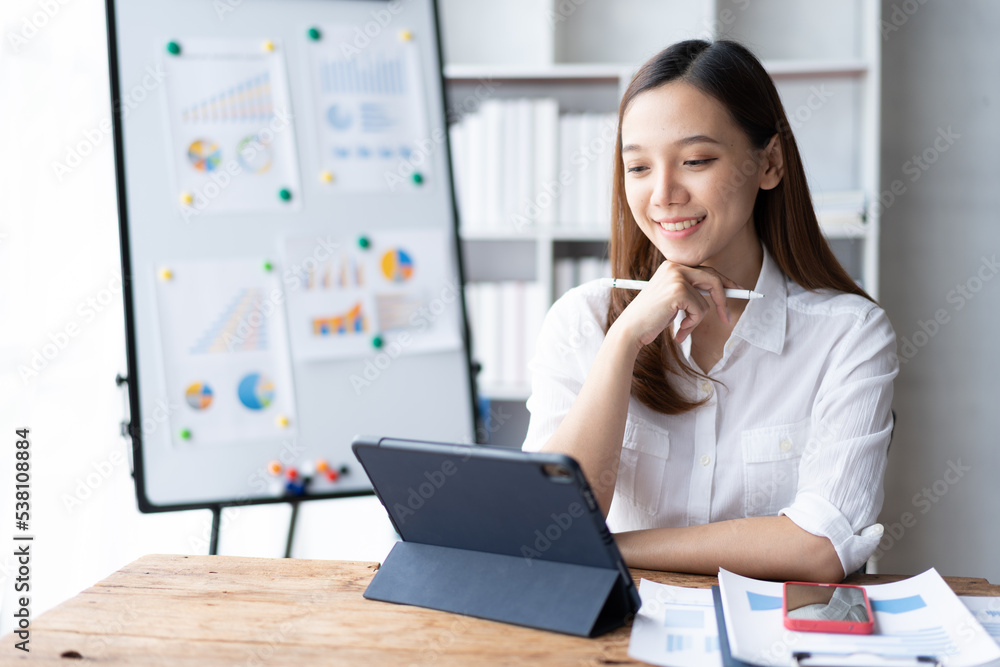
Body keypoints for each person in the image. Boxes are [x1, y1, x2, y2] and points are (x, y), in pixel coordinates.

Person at [521, 40, 897, 583]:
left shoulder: (850, 336)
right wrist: (624, 341)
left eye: (695, 161)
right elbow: (546, 522)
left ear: (768, 163)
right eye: (639, 167)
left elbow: (820, 545)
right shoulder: (583, 320)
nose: (664, 193)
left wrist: (607, 548)